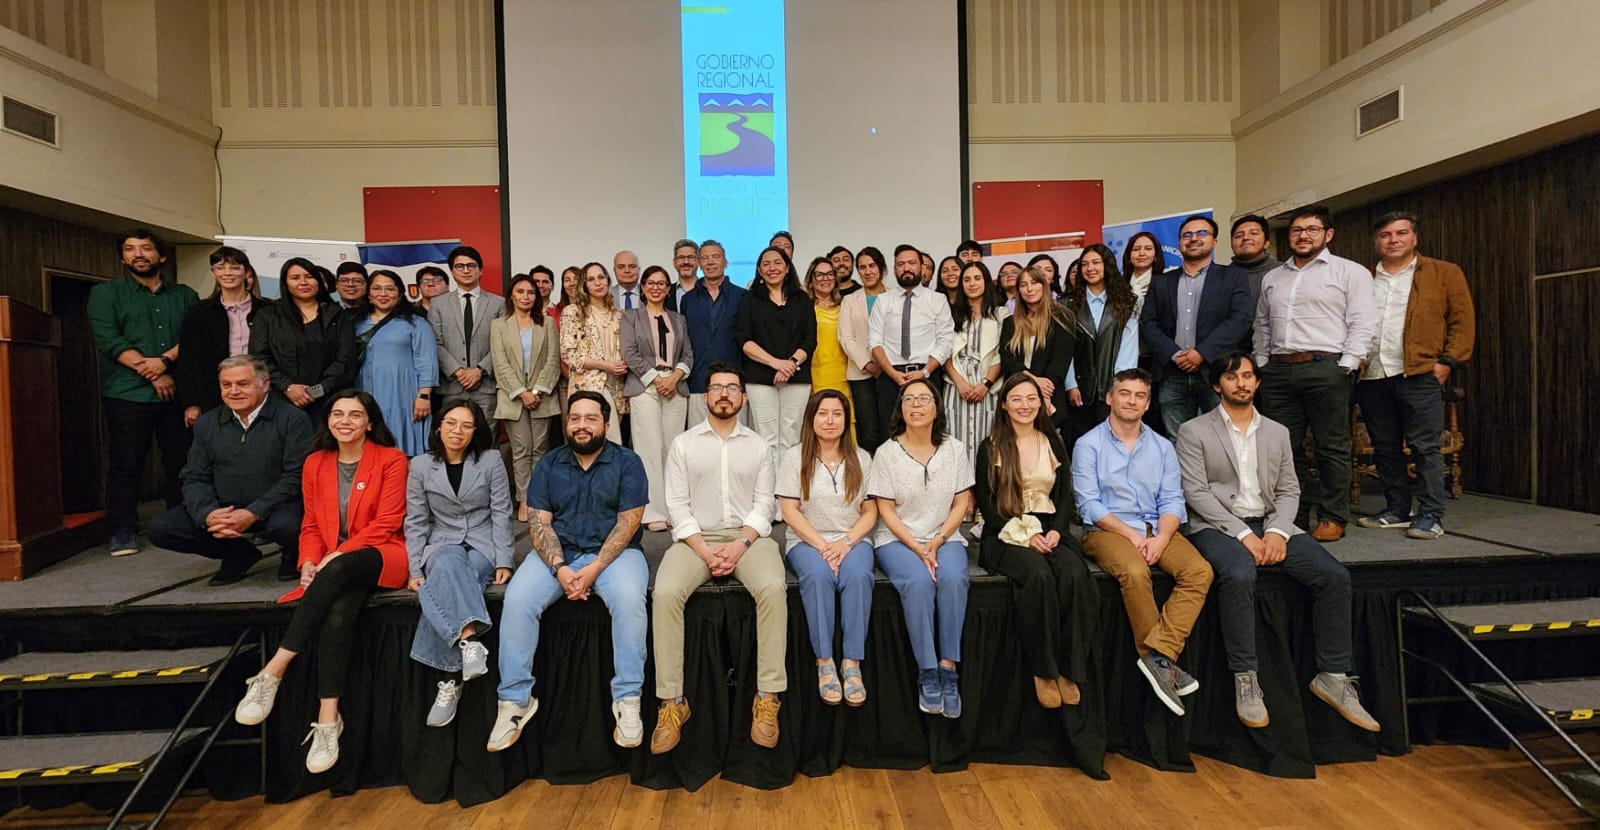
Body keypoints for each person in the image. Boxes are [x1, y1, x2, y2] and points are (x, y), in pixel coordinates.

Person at [1177, 353, 1378, 731]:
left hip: (1270, 523)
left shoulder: (1277, 431)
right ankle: (1246, 679)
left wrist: (1277, 532)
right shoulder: (1194, 431)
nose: (1241, 383)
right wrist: (1243, 535)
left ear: (1258, 382)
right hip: (1217, 526)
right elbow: (1196, 493)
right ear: (1217, 385)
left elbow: (1288, 490)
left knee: (1333, 575)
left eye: (1248, 376)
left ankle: (1333, 676)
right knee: (1240, 574)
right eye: (1232, 377)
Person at [232, 390, 409, 774]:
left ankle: (273, 670)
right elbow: (311, 524)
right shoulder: (315, 462)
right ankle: (329, 718)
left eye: (355, 415)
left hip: (383, 554)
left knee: (342, 569)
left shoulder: (391, 459)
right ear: (327, 421)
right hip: (333, 566)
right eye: (337, 414)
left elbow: (388, 522)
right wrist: (309, 561)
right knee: (338, 615)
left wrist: (336, 556)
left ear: (370, 423)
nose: (345, 421)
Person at [492, 391, 651, 751]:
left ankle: (628, 700)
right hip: (558, 555)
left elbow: (628, 523)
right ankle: (515, 701)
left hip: (614, 555)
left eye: (590, 418)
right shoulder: (549, 464)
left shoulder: (628, 462)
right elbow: (539, 524)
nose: (581, 425)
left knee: (629, 600)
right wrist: (561, 569)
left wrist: (593, 569)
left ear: (606, 425)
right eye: (575, 418)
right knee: (517, 600)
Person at [651, 363, 786, 754]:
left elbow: (765, 504)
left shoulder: (758, 446)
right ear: (705, 396)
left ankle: (768, 697)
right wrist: (706, 551)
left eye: (732, 387)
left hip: (748, 538)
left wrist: (740, 545)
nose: (724, 394)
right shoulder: (684, 444)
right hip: (697, 539)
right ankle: (672, 702)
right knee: (666, 593)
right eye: (716, 388)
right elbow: (677, 505)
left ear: (743, 397)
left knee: (773, 588)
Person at [1072, 369, 1212, 716]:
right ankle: (1161, 664)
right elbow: (1089, 504)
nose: (1131, 401)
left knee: (1199, 571)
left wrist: (1162, 537)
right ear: (1110, 398)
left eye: (1139, 396)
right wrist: (1134, 536)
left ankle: (1159, 655)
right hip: (1106, 530)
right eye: (1125, 393)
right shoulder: (1088, 444)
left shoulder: (1163, 447)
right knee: (1135, 572)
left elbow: (1173, 500)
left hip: (1156, 528)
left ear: (1148, 404)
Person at [1254, 205, 1378, 542]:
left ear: (1328, 234)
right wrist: (1262, 362)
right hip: (1279, 371)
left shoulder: (1349, 272)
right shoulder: (1273, 277)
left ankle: (1332, 516)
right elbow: (1262, 323)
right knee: (1283, 449)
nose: (1303, 236)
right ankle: (1290, 516)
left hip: (1327, 368)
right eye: (1297, 230)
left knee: (1330, 447)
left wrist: (1347, 365)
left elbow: (1364, 321)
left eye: (1312, 229)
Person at [974, 375, 1096, 708]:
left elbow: (1064, 495)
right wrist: (1026, 537)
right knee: (1038, 575)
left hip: (1049, 526)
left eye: (1032, 398)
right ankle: (1043, 669)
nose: (1025, 405)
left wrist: (1057, 530)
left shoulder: (1052, 441)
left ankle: (1070, 668)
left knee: (1074, 575)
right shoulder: (991, 447)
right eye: (1017, 399)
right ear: (1003, 405)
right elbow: (987, 505)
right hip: (1006, 530)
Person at [1354, 211, 1476, 540]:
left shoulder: (1444, 273)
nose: (1393, 240)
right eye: (1385, 235)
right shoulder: (1363, 278)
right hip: (1373, 375)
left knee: (1425, 448)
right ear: (1376, 242)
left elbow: (1462, 321)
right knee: (1385, 447)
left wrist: (1448, 362)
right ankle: (1397, 510)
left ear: (1415, 238)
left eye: (1401, 233)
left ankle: (1431, 515)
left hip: (1420, 373)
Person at [149, 356, 311, 584]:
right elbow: (194, 476)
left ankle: (292, 555)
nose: (234, 391)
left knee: (289, 526)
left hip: (276, 508)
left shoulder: (292, 419)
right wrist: (208, 514)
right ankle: (238, 553)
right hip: (224, 508)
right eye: (226, 385)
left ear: (265, 385)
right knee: (162, 528)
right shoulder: (207, 423)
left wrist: (254, 512)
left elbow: (295, 477)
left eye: (243, 384)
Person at [88, 228, 198, 556]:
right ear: (123, 258)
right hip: (127, 392)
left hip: (177, 392)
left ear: (160, 256)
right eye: (130, 249)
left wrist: (164, 363)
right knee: (126, 462)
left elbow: (194, 337)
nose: (138, 254)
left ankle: (181, 523)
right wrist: (152, 373)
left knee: (182, 460)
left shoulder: (185, 296)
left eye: (146, 248)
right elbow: (109, 340)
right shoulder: (106, 294)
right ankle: (123, 530)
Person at [405, 398, 514, 727]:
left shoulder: (491, 460)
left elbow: (501, 512)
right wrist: (414, 568)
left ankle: (450, 681)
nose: (458, 431)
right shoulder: (420, 466)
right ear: (439, 427)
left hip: (483, 542)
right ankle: (469, 641)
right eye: (451, 423)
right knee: (448, 562)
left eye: (466, 425)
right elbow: (416, 521)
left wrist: (505, 559)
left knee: (446, 578)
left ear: (475, 431)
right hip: (441, 542)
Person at [867, 378, 973, 717]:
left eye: (924, 398)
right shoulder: (886, 453)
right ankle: (927, 670)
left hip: (945, 536)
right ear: (900, 408)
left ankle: (948, 668)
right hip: (897, 539)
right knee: (918, 582)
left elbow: (962, 502)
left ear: (936, 407)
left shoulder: (955, 449)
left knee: (953, 579)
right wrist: (917, 547)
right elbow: (885, 510)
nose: (916, 405)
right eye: (909, 399)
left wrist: (938, 540)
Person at [777, 390, 878, 706]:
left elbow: (871, 510)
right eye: (823, 413)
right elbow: (789, 511)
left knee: (859, 575)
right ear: (811, 418)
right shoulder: (794, 458)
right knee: (818, 576)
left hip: (853, 538)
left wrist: (845, 543)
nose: (830, 420)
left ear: (847, 420)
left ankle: (852, 662)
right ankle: (825, 662)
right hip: (807, 540)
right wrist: (824, 547)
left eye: (837, 414)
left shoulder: (861, 458)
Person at [1139, 215, 1252, 436]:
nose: (1193, 239)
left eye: (1201, 233)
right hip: (1172, 374)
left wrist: (1201, 353)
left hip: (1217, 371)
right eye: (1187, 235)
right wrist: (1175, 354)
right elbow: (1148, 323)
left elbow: (1240, 319)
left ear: (1214, 241)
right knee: (1177, 438)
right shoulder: (1161, 281)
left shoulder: (1233, 276)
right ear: (1179, 243)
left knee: (1225, 437)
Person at [622, 266, 692, 532]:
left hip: (675, 385)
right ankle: (652, 512)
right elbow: (629, 352)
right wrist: (656, 378)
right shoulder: (631, 317)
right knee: (648, 449)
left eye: (661, 284)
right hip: (645, 387)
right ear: (642, 287)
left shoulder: (678, 319)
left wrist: (674, 377)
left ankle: (674, 509)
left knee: (673, 450)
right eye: (650, 283)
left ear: (668, 289)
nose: (656, 288)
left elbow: (688, 354)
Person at [250, 257, 358, 429]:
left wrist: (315, 391)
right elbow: (259, 358)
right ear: (285, 283)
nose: (303, 282)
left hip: (329, 401)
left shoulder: (338, 316)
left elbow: (346, 361)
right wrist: (287, 387)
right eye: (295, 278)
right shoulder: (268, 316)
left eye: (309, 276)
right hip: (281, 400)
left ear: (318, 281)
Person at [491, 273, 561, 523]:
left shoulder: (547, 323)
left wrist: (537, 391)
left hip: (542, 395)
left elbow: (552, 360)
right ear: (511, 295)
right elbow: (500, 363)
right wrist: (521, 392)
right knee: (521, 449)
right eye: (520, 291)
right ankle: (523, 499)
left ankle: (539, 499)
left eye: (530, 292)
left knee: (540, 449)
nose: (526, 296)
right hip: (513, 396)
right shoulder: (499, 325)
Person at [178, 246, 273, 428]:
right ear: (213, 273)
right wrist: (191, 403)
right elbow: (187, 360)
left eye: (234, 268)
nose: (227, 273)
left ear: (246, 272)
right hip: (213, 394)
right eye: (220, 268)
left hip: (261, 391)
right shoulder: (199, 312)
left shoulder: (268, 310)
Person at [867, 245, 956, 438]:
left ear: (922, 267)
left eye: (912, 263)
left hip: (928, 374)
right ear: (894, 269)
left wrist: (924, 372)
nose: (906, 268)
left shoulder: (937, 300)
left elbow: (946, 340)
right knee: (890, 435)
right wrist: (893, 374)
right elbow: (874, 342)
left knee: (928, 434)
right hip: (891, 377)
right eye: (901, 264)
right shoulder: (883, 301)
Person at [737, 246, 816, 458]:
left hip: (797, 376)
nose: (772, 268)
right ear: (759, 271)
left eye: (777, 262)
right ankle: (768, 481)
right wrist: (776, 363)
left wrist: (790, 364)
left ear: (787, 268)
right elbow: (744, 340)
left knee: (792, 437)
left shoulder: (802, 299)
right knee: (766, 438)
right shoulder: (749, 299)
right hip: (760, 377)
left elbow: (810, 339)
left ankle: (789, 481)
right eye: (766, 264)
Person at [354, 269, 438, 456]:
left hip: (402, 395)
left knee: (401, 448)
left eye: (390, 289)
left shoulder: (416, 323)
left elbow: (427, 361)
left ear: (400, 295)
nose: (383, 294)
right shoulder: (356, 323)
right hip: (364, 391)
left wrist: (424, 396)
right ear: (368, 294)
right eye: (377, 288)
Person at [1063, 245, 1140, 443]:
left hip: (1112, 389)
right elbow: (1064, 350)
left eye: (1096, 263)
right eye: (1085, 264)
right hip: (1079, 389)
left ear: (1107, 265)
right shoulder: (1066, 305)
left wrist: (1119, 387)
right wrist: (1070, 385)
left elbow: (1128, 350)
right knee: (1080, 445)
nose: (1090, 268)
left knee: (1113, 444)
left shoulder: (1127, 302)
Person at [944, 262, 1008, 464]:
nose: (972, 284)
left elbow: (1002, 354)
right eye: (967, 279)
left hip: (988, 388)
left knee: (988, 445)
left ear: (986, 282)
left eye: (977, 278)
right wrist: (960, 382)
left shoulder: (1001, 314)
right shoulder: (950, 315)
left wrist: (985, 384)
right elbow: (944, 353)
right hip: (956, 388)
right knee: (955, 445)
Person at [428, 245, 504, 416]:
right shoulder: (438, 304)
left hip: (486, 386)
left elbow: (503, 344)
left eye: (471, 265)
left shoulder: (498, 303)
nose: (466, 270)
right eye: (460, 266)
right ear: (452, 271)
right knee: (453, 429)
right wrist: (458, 371)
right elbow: (435, 342)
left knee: (486, 431)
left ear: (480, 270)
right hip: (452, 385)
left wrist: (479, 370)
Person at [679, 240, 747, 427]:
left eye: (716, 257)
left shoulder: (742, 296)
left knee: (735, 436)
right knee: (699, 437)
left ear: (725, 262)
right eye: (705, 258)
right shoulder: (688, 299)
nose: (710, 262)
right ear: (699, 264)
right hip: (698, 381)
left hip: (733, 381)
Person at [1000, 265, 1074, 431]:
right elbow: (1007, 359)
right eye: (1023, 285)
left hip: (1050, 400)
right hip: (1016, 400)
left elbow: (1059, 362)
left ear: (1044, 285)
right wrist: (1033, 380)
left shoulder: (1062, 318)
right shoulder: (1010, 323)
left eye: (1034, 283)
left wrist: (1041, 390)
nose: (1029, 289)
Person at [561, 262, 629, 444]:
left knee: (608, 439)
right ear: (584, 285)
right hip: (589, 386)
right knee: (606, 439)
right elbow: (569, 355)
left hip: (617, 386)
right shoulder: (573, 312)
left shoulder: (619, 314)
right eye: (591, 279)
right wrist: (605, 365)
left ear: (608, 280)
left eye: (601, 277)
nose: (598, 283)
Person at [838, 246, 890, 451]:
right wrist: (868, 365)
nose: (867, 271)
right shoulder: (850, 300)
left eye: (872, 266)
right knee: (868, 431)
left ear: (882, 268)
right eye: (862, 267)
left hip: (891, 372)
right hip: (860, 374)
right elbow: (846, 337)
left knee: (890, 427)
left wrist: (884, 366)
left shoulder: (895, 297)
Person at [805, 257, 852, 411]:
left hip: (844, 374)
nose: (825, 279)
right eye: (819, 275)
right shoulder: (804, 308)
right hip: (815, 374)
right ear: (811, 280)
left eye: (830, 274)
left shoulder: (846, 306)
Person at [1229, 214, 1280, 309]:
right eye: (1239, 235)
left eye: (1254, 233)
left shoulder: (1283, 272)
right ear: (1231, 245)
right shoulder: (1222, 276)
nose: (1246, 238)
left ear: (1266, 243)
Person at [1122, 231, 1166, 323]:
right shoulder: (1118, 284)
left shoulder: (1165, 283)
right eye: (1136, 249)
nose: (1141, 253)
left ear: (1155, 256)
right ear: (1129, 256)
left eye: (1148, 249)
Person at [666, 239, 701, 311]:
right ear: (674, 262)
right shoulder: (665, 292)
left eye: (690, 257)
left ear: (698, 261)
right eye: (681, 257)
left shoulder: (709, 291)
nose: (686, 262)